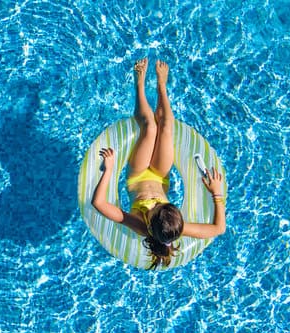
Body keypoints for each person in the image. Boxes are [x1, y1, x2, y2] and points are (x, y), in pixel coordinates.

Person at [92, 58, 226, 269]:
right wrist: (216, 194)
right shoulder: (177, 225)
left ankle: (139, 86)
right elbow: (218, 229)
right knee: (166, 127)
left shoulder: (139, 224)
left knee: (150, 127)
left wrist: (108, 170)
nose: (155, 203)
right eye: (163, 203)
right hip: (160, 174)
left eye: (155, 208)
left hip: (137, 175)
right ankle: (162, 86)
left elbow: (98, 204)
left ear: (150, 222)